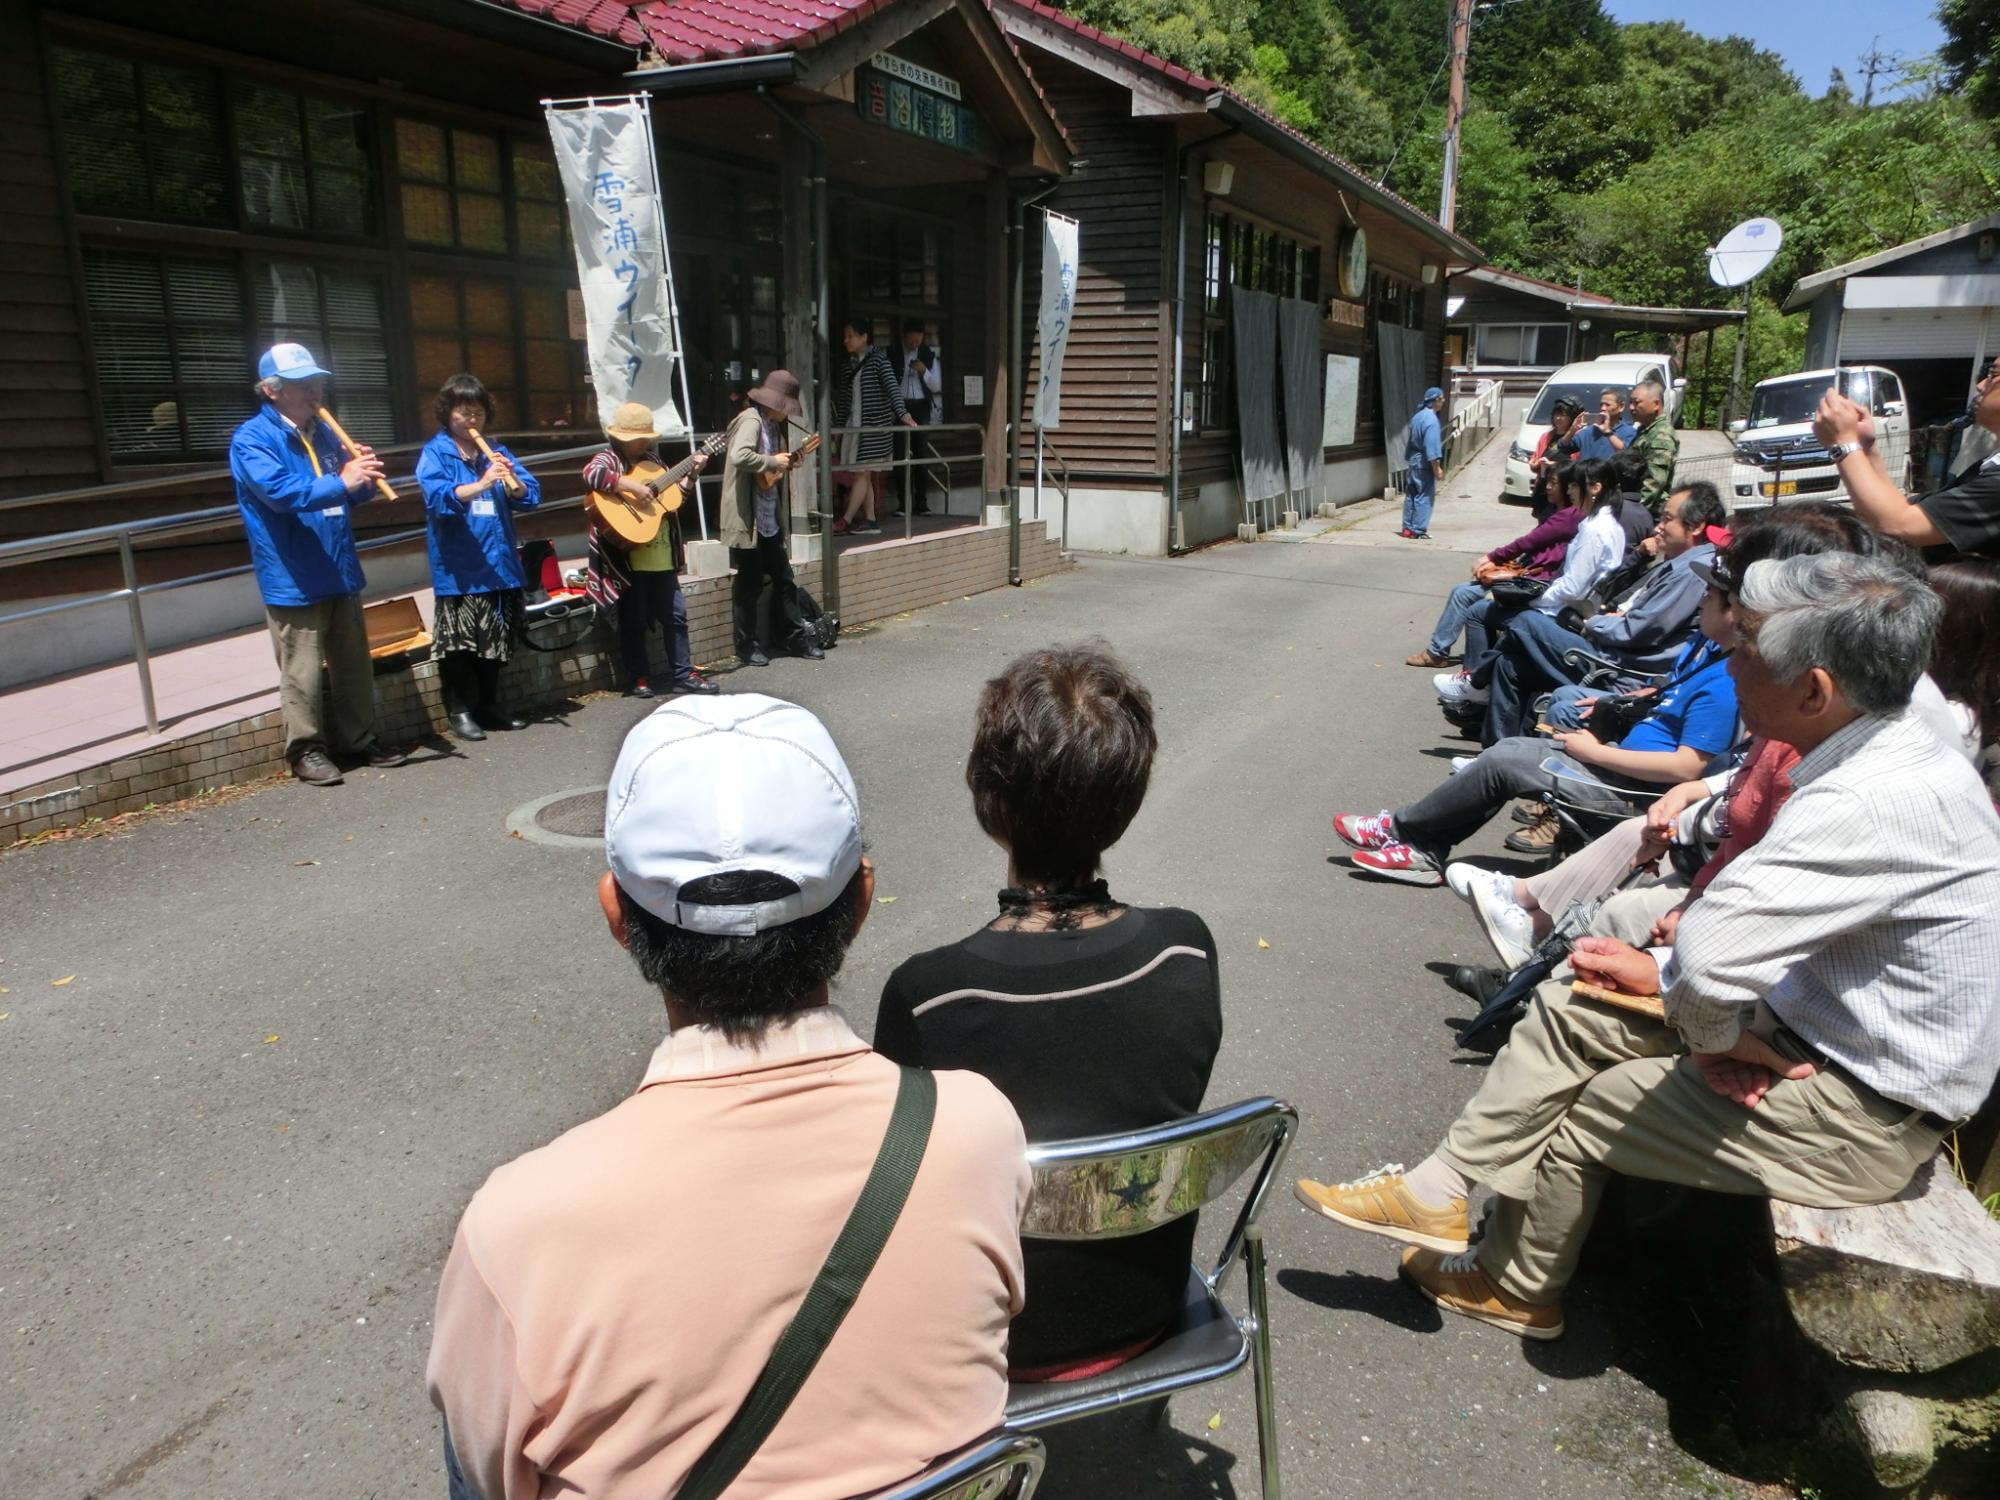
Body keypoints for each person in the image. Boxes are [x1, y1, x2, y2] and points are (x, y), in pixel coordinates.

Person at [1299, 553, 2000, 1342]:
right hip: (1821, 1034)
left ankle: (1518, 1286)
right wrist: (1706, 1010)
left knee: (1595, 1103)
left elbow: (1709, 964)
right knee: (1578, 1004)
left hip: (1866, 1105)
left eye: (1750, 649)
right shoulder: (1883, 736)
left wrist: (1717, 1040)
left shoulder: (1868, 797)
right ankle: (1438, 1190)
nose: (1730, 661)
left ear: (1814, 689)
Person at [428, 694, 1031, 1499]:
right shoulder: (976, 1130)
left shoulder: (518, 1228)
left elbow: (490, 1469)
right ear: (859, 905)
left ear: (618, 916)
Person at [874, 644, 1222, 1377]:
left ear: (988, 800)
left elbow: (896, 1180)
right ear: (1126, 801)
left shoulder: (931, 995)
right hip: (1148, 1308)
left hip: (985, 1331)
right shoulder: (1186, 952)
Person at [1338, 573, 1736, 887]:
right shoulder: (1711, 650)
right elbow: (1670, 695)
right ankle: (1416, 843)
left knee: (1503, 761)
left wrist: (1594, 753)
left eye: (1712, 596)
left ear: (1734, 612)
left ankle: (1406, 834)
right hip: (1617, 764)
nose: (1701, 599)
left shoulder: (1727, 682)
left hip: (1628, 792)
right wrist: (1614, 703)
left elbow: (1687, 768)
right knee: (1510, 749)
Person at [228, 342, 406, 787]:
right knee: (302, 671)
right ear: (272, 391)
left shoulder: (323, 433)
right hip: (293, 572)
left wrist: (361, 478)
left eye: (317, 382)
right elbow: (282, 493)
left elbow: (348, 493)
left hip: (338, 566)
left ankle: (359, 740)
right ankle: (305, 750)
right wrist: (341, 480)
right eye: (301, 384)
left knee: (352, 663)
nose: (314, 391)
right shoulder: (252, 439)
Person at [1452, 482, 1729, 750]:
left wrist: (1593, 623)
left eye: (1667, 519)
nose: (1659, 526)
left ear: (1696, 526)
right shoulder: (1673, 564)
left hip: (1617, 666)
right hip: (1607, 647)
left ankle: (1477, 681)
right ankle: (1499, 752)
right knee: (1510, 665)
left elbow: (1636, 630)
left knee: (1525, 622)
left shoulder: (1692, 571)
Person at [416, 374, 542, 741]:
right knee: (459, 646)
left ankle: (489, 705)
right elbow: (438, 499)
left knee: (496, 642)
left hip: (499, 564)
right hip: (461, 566)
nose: (472, 421)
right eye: (464, 413)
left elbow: (530, 494)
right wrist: (483, 483)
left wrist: (512, 484)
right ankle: (459, 711)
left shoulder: (496, 451)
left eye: (478, 413)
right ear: (447, 413)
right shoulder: (436, 453)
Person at [581, 401, 716, 700]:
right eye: (636, 439)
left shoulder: (655, 462)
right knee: (634, 619)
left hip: (662, 555)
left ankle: (684, 674)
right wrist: (631, 487)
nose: (642, 444)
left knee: (676, 616)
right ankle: (638, 677)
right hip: (627, 559)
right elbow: (591, 475)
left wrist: (691, 475)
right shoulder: (608, 458)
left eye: (644, 438)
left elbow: (673, 499)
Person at [1814, 356, 2000, 560]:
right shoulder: (1988, 466)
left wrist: (1843, 444)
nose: (1981, 385)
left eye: (1993, 375)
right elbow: (1899, 510)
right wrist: (1865, 448)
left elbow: (1898, 526)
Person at [1407, 464, 1593, 669]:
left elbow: (1528, 541)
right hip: (1529, 576)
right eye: (1547, 482)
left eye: (1555, 483)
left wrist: (1492, 557)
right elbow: (1536, 509)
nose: (1548, 487)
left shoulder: (1569, 515)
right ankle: (1440, 651)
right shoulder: (1556, 511)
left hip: (1536, 583)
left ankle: (1441, 655)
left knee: (1463, 594)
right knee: (1463, 590)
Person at [721, 370, 821, 667]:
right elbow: (739, 456)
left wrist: (787, 463)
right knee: (749, 583)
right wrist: (773, 460)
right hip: (747, 518)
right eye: (786, 406)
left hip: (768, 518)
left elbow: (766, 477)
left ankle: (794, 639)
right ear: (775, 403)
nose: (786, 413)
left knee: (784, 578)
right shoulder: (751, 421)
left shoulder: (771, 425)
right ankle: (746, 645)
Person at [833, 320, 915, 535]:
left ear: (864, 337)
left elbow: (892, 389)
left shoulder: (880, 361)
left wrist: (903, 413)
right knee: (864, 474)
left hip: (874, 428)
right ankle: (870, 521)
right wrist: (839, 428)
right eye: (845, 336)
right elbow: (844, 402)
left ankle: (847, 519)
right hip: (855, 427)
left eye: (851, 335)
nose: (846, 340)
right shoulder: (848, 366)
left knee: (861, 473)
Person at [894, 323, 942, 517]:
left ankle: (921, 503)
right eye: (912, 340)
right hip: (900, 406)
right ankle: (902, 504)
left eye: (918, 341)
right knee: (900, 455)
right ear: (905, 336)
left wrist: (924, 371)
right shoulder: (894, 352)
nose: (915, 344)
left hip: (921, 406)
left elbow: (937, 385)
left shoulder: (928, 355)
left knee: (921, 455)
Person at [1625, 378, 1679, 515]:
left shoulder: (1661, 435)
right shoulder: (1645, 430)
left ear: (1656, 404)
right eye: (1630, 402)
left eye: (1637, 403)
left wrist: (1633, 513)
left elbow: (1654, 482)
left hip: (1649, 513)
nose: (1631, 407)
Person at [1401, 386, 1446, 540]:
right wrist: (1437, 468)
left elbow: (1410, 441)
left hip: (1413, 461)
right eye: (1441, 398)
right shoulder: (1432, 420)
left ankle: (1407, 527)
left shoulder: (1417, 416)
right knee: (1424, 496)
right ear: (1435, 400)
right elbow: (1431, 446)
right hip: (1424, 463)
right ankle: (1418, 530)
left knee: (1411, 495)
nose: (1443, 401)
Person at [1570, 388, 1637, 462]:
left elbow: (1628, 454)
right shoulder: (1588, 431)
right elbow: (1564, 448)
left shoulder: (1631, 432)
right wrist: (1572, 430)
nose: (1603, 408)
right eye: (1601, 404)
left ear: (1621, 407)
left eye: (1607, 405)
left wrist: (1607, 432)